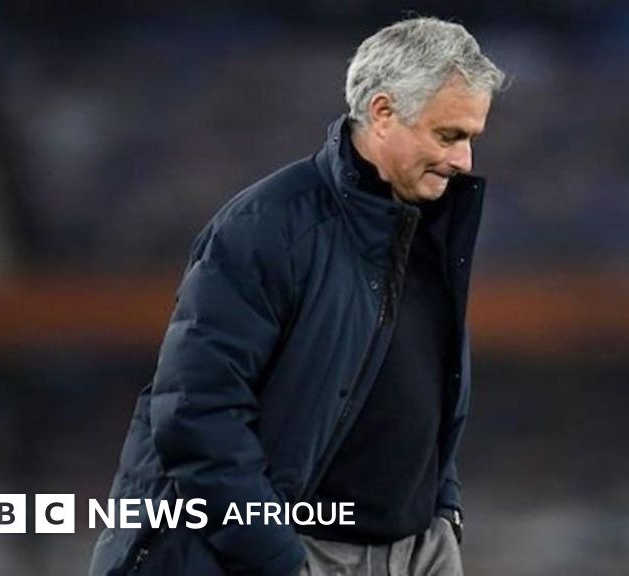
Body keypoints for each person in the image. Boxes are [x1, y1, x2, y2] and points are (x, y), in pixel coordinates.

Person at [89, 16, 504, 576]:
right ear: (383, 112)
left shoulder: (431, 229)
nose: (464, 161)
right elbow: (196, 413)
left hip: (417, 552)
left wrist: (444, 512)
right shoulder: (268, 226)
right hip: (296, 552)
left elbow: (429, 395)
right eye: (448, 135)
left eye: (471, 139)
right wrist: (277, 558)